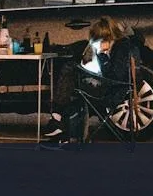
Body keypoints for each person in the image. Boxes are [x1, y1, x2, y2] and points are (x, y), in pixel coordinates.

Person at [40, 16, 135, 147]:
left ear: (107, 37)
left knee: (70, 71)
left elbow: (114, 76)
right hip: (107, 86)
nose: (98, 44)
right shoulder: (117, 46)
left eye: (99, 40)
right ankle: (61, 129)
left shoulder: (121, 48)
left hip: (112, 91)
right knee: (71, 84)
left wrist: (102, 55)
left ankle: (57, 119)